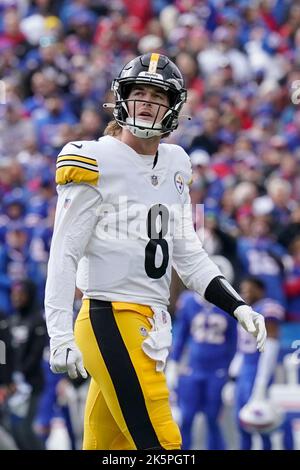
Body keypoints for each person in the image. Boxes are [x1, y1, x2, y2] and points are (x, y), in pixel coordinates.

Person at [45, 52, 267, 450]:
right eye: (140, 92)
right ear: (122, 99)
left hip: (150, 319)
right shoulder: (94, 158)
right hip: (109, 315)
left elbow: (187, 252)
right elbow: (63, 252)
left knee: (110, 448)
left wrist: (237, 306)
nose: (147, 101)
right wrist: (59, 333)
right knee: (163, 444)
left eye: (158, 95)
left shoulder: (177, 163)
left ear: (173, 107)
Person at [166, 258, 237, 450]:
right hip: (192, 370)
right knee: (186, 418)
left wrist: (231, 376)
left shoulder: (229, 303)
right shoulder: (188, 301)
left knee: (213, 419)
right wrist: (173, 364)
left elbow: (233, 343)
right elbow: (180, 336)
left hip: (217, 371)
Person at [228, 277, 284, 450]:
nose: (245, 293)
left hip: (258, 371)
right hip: (244, 370)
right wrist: (232, 376)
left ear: (260, 290)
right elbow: (242, 348)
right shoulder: (246, 310)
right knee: (242, 423)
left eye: (249, 289)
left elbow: (271, 348)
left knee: (262, 423)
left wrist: (260, 384)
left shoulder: (268, 308)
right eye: (243, 290)